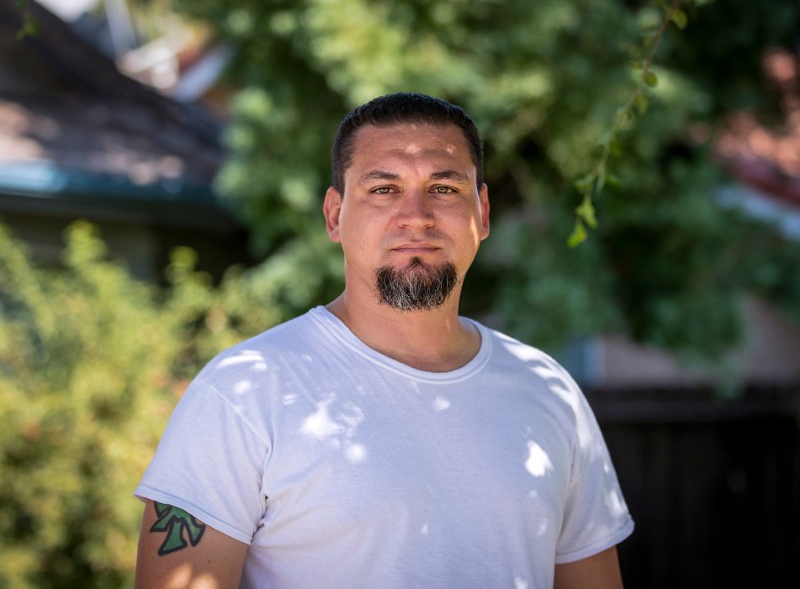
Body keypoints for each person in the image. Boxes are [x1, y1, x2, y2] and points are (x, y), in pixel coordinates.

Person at [134, 92, 634, 589]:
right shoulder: (244, 392)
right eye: (383, 189)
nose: (415, 216)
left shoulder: (549, 390)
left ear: (482, 213)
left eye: (443, 189)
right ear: (335, 216)